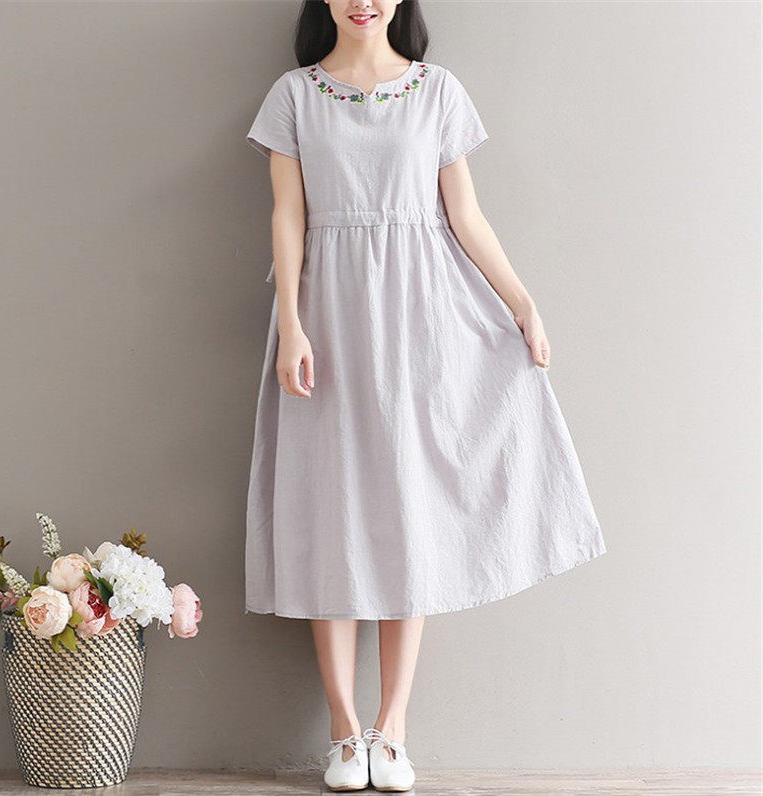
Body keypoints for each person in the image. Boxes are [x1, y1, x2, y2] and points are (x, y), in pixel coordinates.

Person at [244, 1, 607, 791]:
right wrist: (292, 324)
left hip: (423, 319)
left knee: (411, 510)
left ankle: (394, 730)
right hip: (329, 319)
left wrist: (521, 302)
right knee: (331, 513)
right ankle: (344, 734)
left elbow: (463, 213)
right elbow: (287, 215)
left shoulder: (437, 89)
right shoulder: (294, 95)